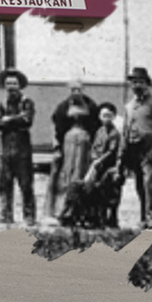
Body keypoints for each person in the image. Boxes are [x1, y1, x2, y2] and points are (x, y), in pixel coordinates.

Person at [118, 66, 152, 227]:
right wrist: (123, 150)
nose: (137, 85)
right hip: (135, 148)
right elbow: (126, 129)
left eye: (140, 82)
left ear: (147, 83)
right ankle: (144, 217)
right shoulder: (129, 105)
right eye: (134, 82)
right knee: (140, 184)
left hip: (151, 147)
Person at [44, 78, 100, 221]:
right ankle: (63, 209)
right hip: (68, 143)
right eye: (73, 90)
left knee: (82, 173)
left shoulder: (91, 106)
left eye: (79, 89)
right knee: (66, 174)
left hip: (85, 143)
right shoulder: (62, 107)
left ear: (83, 90)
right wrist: (56, 147)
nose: (76, 93)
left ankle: (83, 211)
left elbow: (96, 126)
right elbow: (56, 127)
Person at [61, 101, 123, 228]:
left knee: (105, 192)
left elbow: (112, 151)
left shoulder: (114, 133)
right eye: (104, 116)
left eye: (109, 116)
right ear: (99, 117)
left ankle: (108, 219)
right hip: (96, 164)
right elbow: (94, 147)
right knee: (89, 189)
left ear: (114, 117)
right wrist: (93, 158)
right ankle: (88, 216)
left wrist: (99, 160)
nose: (106, 119)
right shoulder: (100, 131)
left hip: (107, 166)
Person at [0, 68, 36, 224]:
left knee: (25, 183)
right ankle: (5, 214)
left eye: (14, 83)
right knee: (4, 183)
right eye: (8, 83)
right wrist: (13, 120)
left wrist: (8, 120)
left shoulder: (27, 102)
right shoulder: (2, 103)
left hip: (22, 149)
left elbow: (27, 121)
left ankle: (29, 215)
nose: (11, 86)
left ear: (20, 85)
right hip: (5, 149)